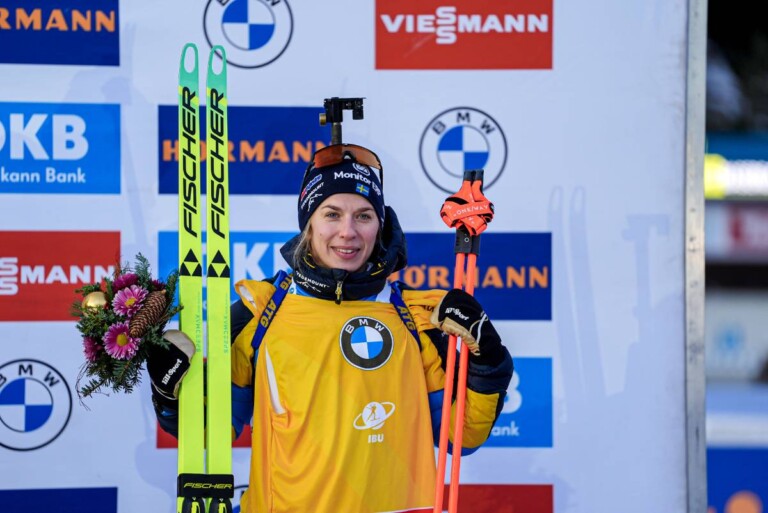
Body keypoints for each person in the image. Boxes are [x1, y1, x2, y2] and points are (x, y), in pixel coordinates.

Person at [149, 143, 514, 513]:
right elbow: (212, 432)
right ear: (309, 222)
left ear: (380, 224)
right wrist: (169, 398)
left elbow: (461, 435)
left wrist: (489, 359)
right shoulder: (260, 312)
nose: (347, 232)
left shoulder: (416, 316)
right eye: (332, 214)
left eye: (364, 216)